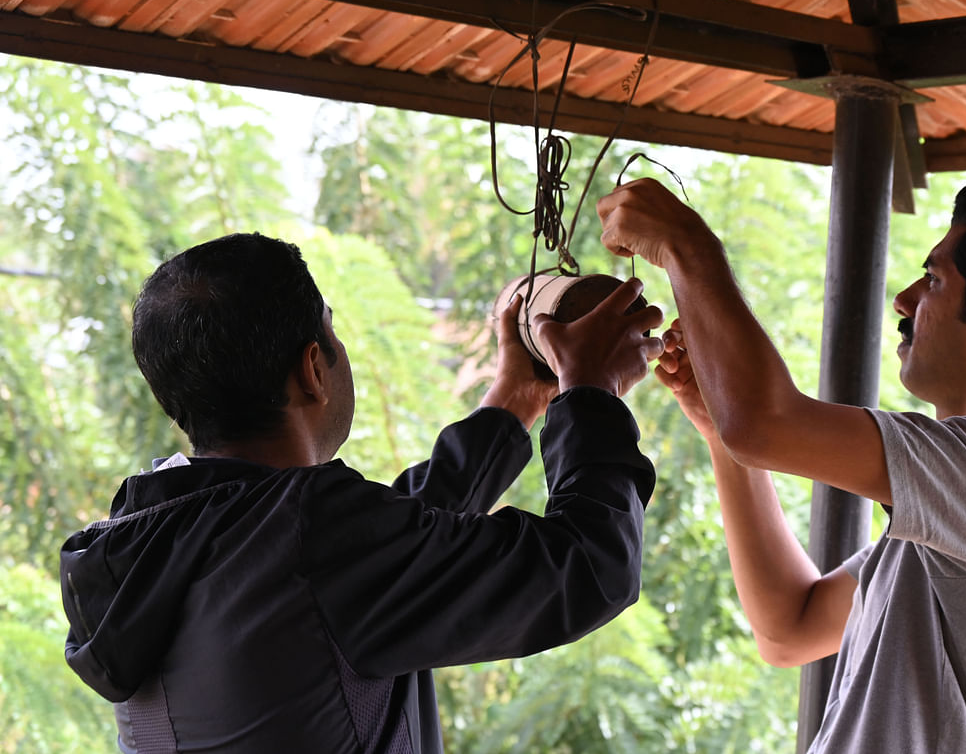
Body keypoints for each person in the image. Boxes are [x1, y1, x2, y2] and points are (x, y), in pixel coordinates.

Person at [59, 232, 666, 754]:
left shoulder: (153, 536)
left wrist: (515, 399)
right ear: (313, 369)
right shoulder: (311, 534)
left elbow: (399, 539)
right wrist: (592, 390)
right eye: (332, 334)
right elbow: (592, 566)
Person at [597, 177, 966, 753]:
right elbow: (790, 626)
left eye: (933, 280)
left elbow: (765, 424)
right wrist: (721, 431)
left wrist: (687, 243)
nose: (903, 300)